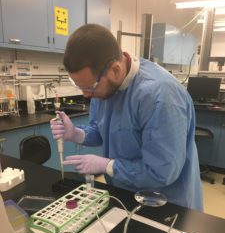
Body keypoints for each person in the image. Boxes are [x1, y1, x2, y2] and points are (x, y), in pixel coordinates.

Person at [50, 24, 203, 211]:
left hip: (167, 203)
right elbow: (102, 129)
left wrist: (108, 166)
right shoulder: (104, 87)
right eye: (80, 86)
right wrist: (77, 134)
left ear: (115, 70)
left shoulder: (160, 96)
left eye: (89, 88)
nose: (86, 95)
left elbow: (162, 172)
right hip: (124, 194)